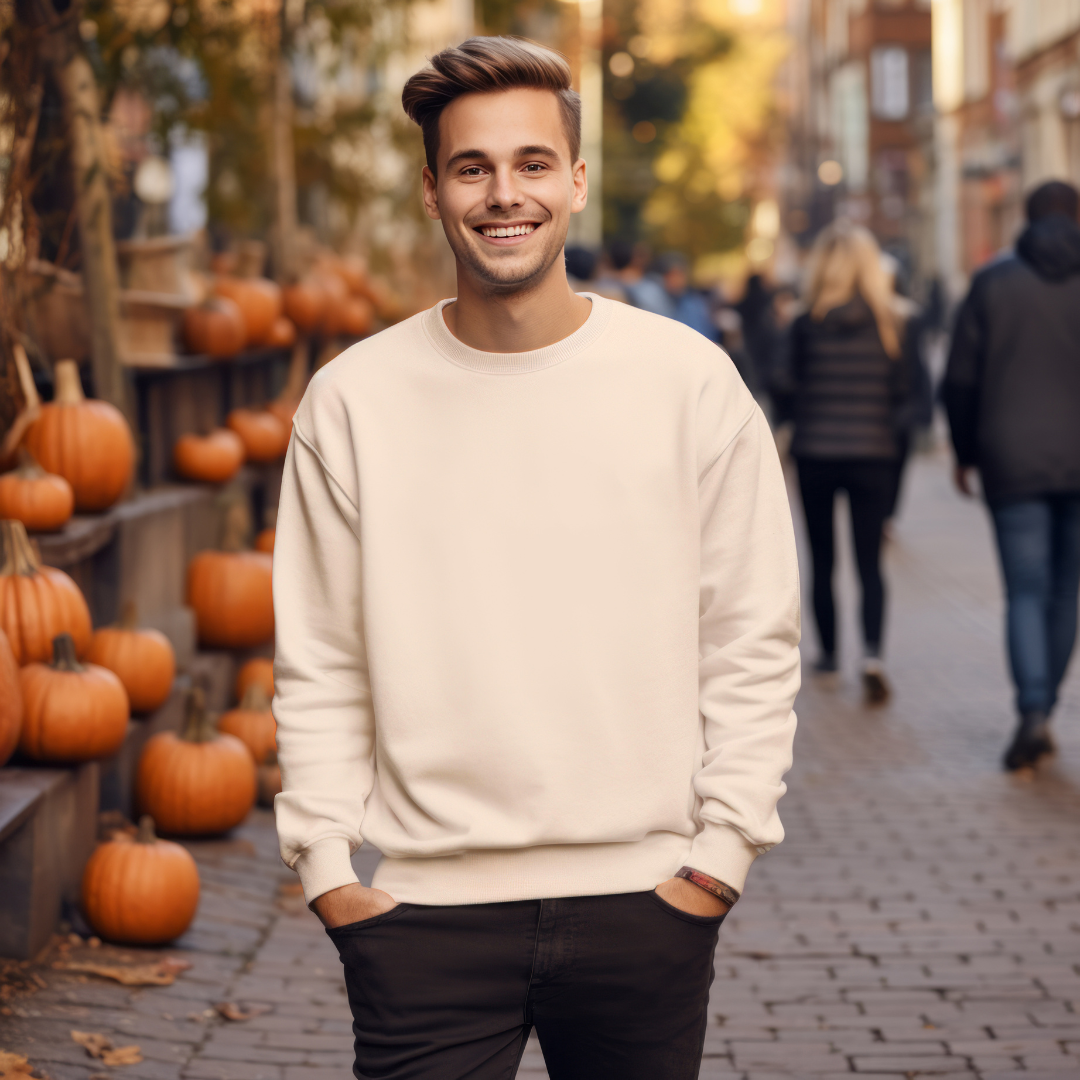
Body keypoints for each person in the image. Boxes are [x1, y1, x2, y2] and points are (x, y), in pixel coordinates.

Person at [272, 35, 800, 1080]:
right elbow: (321, 657)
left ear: (575, 180)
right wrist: (330, 867)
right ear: (432, 190)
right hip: (422, 917)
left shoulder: (688, 384)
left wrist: (719, 859)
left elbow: (750, 635)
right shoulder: (352, 402)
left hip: (646, 910)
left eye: (530, 164)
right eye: (471, 167)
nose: (502, 194)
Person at [943, 179, 1080, 772]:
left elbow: (960, 379)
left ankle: (1029, 710)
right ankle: (1043, 707)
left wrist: (966, 450)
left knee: (1025, 589)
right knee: (1066, 592)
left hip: (1011, 457)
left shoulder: (993, 283)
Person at [786, 221, 927, 704]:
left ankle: (828, 655)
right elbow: (911, 401)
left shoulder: (805, 324)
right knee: (870, 563)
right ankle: (872, 654)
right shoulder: (898, 324)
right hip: (874, 454)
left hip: (817, 453)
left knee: (821, 559)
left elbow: (785, 385)